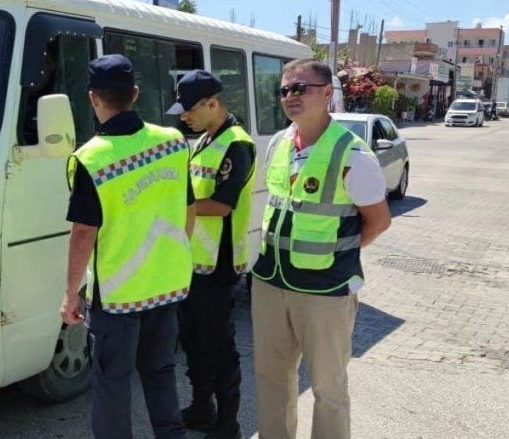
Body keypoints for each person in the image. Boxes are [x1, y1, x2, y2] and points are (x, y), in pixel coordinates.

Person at [250, 59, 392, 439]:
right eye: (284, 90)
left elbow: (378, 220)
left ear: (327, 93)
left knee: (328, 389)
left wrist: (336, 253)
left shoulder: (352, 155)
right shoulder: (278, 144)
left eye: (300, 88)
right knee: (271, 380)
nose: (290, 97)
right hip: (270, 282)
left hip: (324, 291)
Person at [60, 54, 195, 439]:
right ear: (135, 93)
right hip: (166, 286)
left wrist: (71, 294)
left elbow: (84, 232)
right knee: (160, 372)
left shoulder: (93, 158)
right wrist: (173, 256)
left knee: (112, 383)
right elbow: (189, 209)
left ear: (92, 98)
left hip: (117, 296)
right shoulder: (172, 142)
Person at [165, 70, 255, 439]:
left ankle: (227, 423)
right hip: (191, 263)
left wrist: (173, 208)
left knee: (218, 347)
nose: (183, 116)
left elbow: (220, 205)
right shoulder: (203, 140)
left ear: (212, 103)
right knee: (193, 342)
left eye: (188, 109)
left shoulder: (237, 144)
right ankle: (202, 407)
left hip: (217, 266)